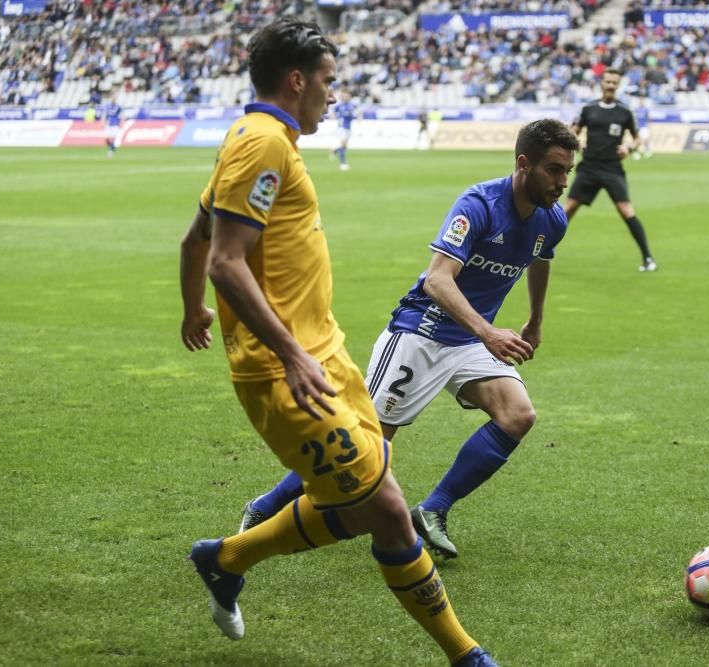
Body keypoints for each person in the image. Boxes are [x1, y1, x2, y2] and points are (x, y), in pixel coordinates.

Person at [178, 19, 496, 667]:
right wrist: (288, 351)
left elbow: (195, 238)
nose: (333, 92)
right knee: (385, 508)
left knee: (371, 501)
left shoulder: (263, 139)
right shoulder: (261, 145)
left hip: (328, 355)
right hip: (286, 368)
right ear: (296, 80)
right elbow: (224, 260)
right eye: (327, 79)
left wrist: (193, 310)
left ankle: (227, 557)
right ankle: (467, 656)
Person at [238, 119, 579, 561]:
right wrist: (488, 331)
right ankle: (264, 507)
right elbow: (438, 281)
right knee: (364, 446)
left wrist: (535, 318)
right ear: (523, 164)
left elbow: (540, 257)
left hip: (470, 342)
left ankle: (433, 509)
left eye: (567, 170)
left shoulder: (553, 219)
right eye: (554, 170)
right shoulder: (478, 204)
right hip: (423, 331)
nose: (562, 181)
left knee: (518, 414)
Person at [563, 69, 656, 273]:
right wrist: (577, 140)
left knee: (626, 211)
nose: (611, 85)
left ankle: (648, 258)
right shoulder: (589, 108)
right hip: (588, 168)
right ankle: (539, 252)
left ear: (619, 85)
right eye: (607, 81)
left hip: (612, 168)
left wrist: (628, 147)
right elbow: (572, 131)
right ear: (601, 83)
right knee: (566, 210)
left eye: (615, 82)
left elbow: (637, 137)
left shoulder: (625, 111)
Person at [332, 87, 356, 170]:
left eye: (347, 95)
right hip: (341, 128)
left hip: (348, 128)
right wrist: (334, 116)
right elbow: (333, 112)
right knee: (343, 144)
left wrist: (358, 117)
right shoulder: (339, 105)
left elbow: (356, 113)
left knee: (345, 146)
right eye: (344, 95)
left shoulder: (352, 105)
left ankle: (335, 151)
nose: (345, 96)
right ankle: (343, 163)